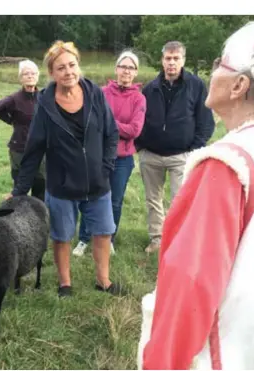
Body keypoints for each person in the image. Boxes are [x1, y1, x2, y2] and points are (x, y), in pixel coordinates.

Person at [138, 20, 254, 369]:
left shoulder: (227, 164)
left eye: (219, 63)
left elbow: (189, 288)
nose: (213, 71)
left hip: (223, 353)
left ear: (240, 84)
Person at [7, 41, 121, 297]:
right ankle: (65, 283)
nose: (68, 71)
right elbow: (34, 149)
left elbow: (112, 133)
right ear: (52, 73)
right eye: (61, 68)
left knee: (103, 233)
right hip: (61, 184)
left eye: (72, 65)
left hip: (97, 183)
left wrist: (106, 166)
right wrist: (19, 190)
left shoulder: (95, 94)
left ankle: (103, 280)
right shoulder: (45, 106)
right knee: (62, 236)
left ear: (78, 66)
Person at [134, 40, 216, 253]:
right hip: (151, 155)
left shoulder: (196, 86)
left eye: (176, 58)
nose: (171, 63)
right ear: (162, 61)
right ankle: (157, 239)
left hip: (182, 155)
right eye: (168, 59)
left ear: (183, 60)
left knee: (181, 200)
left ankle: (180, 241)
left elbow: (206, 121)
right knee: (153, 200)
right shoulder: (150, 88)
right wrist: (140, 145)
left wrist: (195, 149)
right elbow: (139, 118)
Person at [73, 50, 147, 257]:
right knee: (91, 196)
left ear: (135, 72)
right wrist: (111, 126)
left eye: (131, 68)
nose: (126, 71)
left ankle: (108, 239)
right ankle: (84, 238)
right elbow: (90, 121)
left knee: (114, 200)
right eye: (123, 66)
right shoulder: (101, 93)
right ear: (116, 69)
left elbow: (135, 130)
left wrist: (109, 124)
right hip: (96, 156)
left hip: (122, 159)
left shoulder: (139, 99)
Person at [0, 60, 45, 200]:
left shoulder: (44, 97)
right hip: (19, 147)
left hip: (40, 148)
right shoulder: (15, 98)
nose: (30, 76)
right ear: (21, 78)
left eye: (33, 73)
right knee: (20, 186)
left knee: (41, 184)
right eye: (26, 74)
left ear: (38, 76)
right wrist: (12, 120)